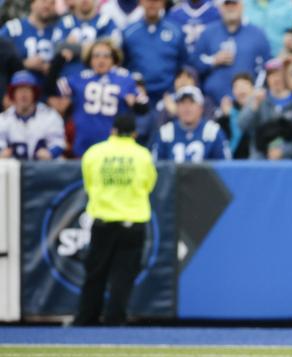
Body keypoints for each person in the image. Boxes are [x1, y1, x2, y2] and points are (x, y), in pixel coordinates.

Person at [74, 112, 156, 326]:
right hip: (132, 222)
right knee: (123, 275)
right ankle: (114, 320)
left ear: (113, 130)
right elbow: (149, 185)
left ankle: (86, 318)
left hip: (103, 220)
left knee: (95, 274)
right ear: (135, 134)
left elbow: (89, 184)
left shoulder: (95, 153)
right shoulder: (142, 155)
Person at [47, 39, 148, 157]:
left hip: (113, 148)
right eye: (96, 56)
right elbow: (50, 88)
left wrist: (134, 104)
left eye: (106, 56)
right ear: (90, 59)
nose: (101, 60)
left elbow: (144, 106)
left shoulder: (125, 79)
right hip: (84, 144)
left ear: (113, 59)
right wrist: (59, 60)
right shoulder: (80, 78)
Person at [191, 0, 271, 108]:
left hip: (248, 105)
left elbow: (266, 69)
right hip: (212, 104)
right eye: (227, 4)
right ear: (219, 8)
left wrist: (255, 93)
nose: (231, 8)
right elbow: (194, 65)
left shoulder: (257, 34)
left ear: (242, 6)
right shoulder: (208, 33)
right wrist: (213, 60)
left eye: (234, 3)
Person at [238, 58, 292, 159]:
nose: (276, 78)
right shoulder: (259, 100)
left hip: (290, 163)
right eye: (271, 74)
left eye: (279, 74)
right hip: (260, 160)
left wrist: (283, 151)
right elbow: (242, 125)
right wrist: (254, 106)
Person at [122, 0, 187, 104]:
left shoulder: (175, 31)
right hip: (138, 94)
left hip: (168, 94)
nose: (152, 3)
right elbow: (123, 64)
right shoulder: (129, 31)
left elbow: (183, 62)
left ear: (163, 2)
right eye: (148, 0)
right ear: (141, 2)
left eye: (156, 0)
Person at [0, 70, 65, 159]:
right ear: (13, 94)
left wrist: (50, 153)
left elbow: (59, 143)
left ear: (34, 93)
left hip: (43, 169)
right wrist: (2, 153)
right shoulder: (4, 118)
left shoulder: (50, 116)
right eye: (19, 90)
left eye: (27, 90)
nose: (23, 95)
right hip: (13, 170)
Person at [154, 86, 229, 162]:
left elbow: (225, 166)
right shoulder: (166, 132)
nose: (187, 108)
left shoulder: (213, 132)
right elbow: (156, 166)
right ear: (177, 107)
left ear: (201, 108)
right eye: (182, 103)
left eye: (191, 102)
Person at [51, 0, 121, 76]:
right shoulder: (64, 22)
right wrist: (97, 45)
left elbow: (115, 45)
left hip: (100, 79)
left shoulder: (107, 21)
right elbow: (57, 47)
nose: (84, 0)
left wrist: (72, 47)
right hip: (69, 78)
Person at [0, 0, 57, 81]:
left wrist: (53, 68)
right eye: (44, 1)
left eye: (52, 3)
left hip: (47, 89)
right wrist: (24, 63)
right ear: (32, 3)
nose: (47, 5)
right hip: (16, 87)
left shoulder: (58, 31)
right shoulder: (13, 28)